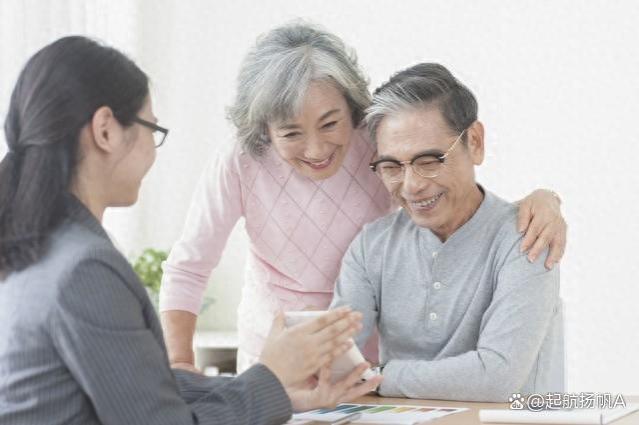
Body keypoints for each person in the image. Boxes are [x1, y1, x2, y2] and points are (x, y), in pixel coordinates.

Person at [0, 36, 381, 425]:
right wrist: (270, 375)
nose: (153, 146)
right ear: (105, 131)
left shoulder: (39, 250)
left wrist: (276, 390)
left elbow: (141, 392)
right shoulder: (83, 269)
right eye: (152, 126)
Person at [159, 22, 567, 374]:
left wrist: (544, 198)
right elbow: (189, 267)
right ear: (264, 127)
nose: (316, 150)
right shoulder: (240, 161)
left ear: (352, 106)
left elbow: (443, 179)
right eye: (291, 133)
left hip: (373, 358)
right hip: (278, 352)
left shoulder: (377, 141)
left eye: (330, 123)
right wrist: (179, 366)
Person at [330, 62, 563, 402]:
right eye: (392, 166)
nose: (412, 186)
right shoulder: (371, 246)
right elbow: (338, 360)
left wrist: (378, 377)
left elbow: (497, 377)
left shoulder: (528, 234)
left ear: (475, 142)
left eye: (428, 160)